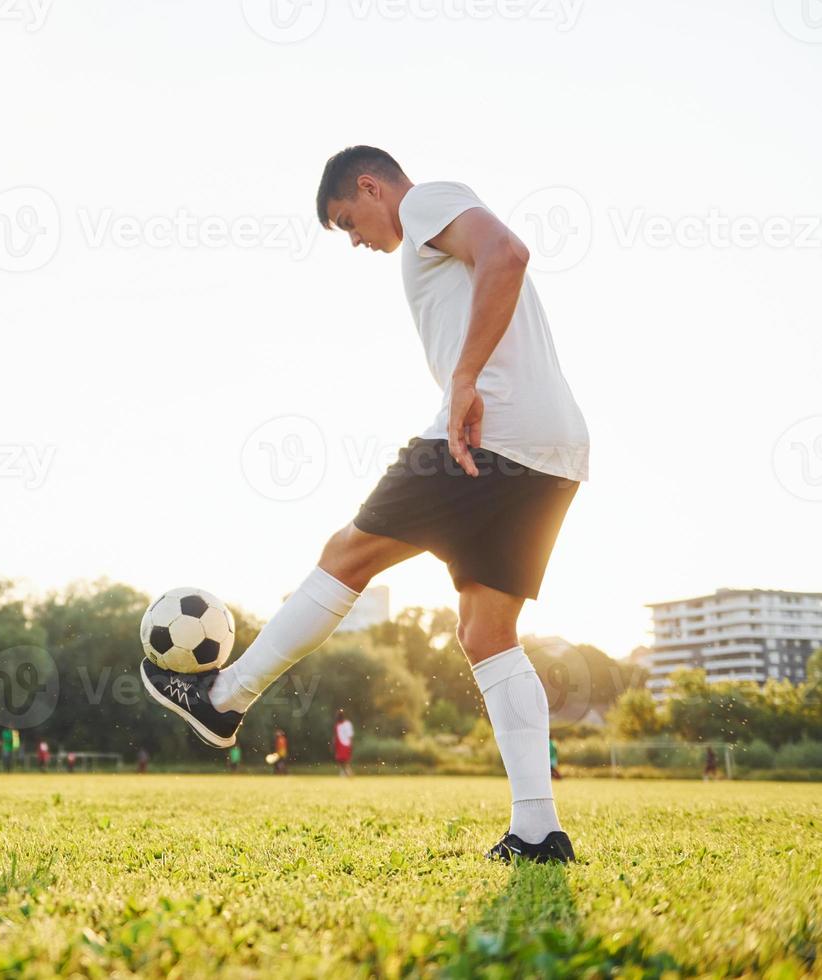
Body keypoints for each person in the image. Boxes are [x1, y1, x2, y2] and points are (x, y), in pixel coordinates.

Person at [140, 146, 587, 865]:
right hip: (552, 449)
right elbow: (496, 264)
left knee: (348, 553)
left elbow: (509, 252)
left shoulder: (425, 203)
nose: (355, 240)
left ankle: (223, 701)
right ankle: (538, 830)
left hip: (486, 432)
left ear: (372, 187)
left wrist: (466, 379)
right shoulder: (429, 232)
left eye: (349, 220)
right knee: (486, 633)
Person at [334, 710, 355, 777]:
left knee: (345, 760)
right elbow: (336, 735)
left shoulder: (347, 724)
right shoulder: (337, 725)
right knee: (340, 760)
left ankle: (347, 772)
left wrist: (351, 744)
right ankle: (344, 772)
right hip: (339, 744)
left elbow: (350, 735)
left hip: (346, 744)